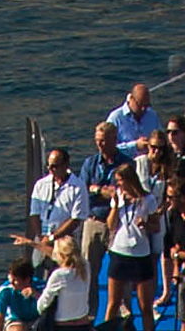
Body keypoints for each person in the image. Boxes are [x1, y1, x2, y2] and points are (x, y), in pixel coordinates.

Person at [79, 121, 133, 319]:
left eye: (103, 141)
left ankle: (124, 313)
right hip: (93, 222)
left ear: (114, 139)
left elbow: (124, 192)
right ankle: (89, 313)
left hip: (118, 224)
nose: (99, 145)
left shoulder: (126, 164)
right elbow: (83, 190)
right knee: (88, 271)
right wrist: (101, 191)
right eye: (97, 141)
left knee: (121, 270)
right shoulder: (90, 164)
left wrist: (98, 190)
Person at [105, 163, 160, 331]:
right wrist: (115, 205)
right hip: (119, 252)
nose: (118, 184)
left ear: (129, 179)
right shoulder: (119, 197)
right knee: (113, 303)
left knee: (145, 307)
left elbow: (156, 227)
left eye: (120, 181)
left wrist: (146, 224)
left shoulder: (148, 199)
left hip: (140, 254)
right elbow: (111, 225)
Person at [10, 234, 91, 331]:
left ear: (60, 255)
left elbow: (42, 305)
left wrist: (34, 294)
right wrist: (31, 243)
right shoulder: (86, 267)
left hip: (63, 327)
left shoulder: (59, 275)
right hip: (84, 324)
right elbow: (55, 254)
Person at [135, 130, 176, 307]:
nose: (156, 152)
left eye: (160, 148)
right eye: (153, 147)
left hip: (159, 216)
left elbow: (170, 195)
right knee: (139, 254)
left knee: (154, 255)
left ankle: (153, 295)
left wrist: (160, 211)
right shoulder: (139, 163)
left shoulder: (167, 168)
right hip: (140, 215)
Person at [29, 149, 89, 248]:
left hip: (66, 241)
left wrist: (53, 237)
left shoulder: (78, 187)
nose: (50, 170)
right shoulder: (40, 184)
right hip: (43, 238)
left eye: (54, 166)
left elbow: (76, 219)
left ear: (66, 165)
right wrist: (41, 237)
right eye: (48, 166)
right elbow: (34, 213)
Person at [106, 83, 162, 159]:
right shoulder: (116, 118)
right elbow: (108, 148)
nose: (143, 109)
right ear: (131, 99)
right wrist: (135, 146)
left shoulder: (152, 115)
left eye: (146, 105)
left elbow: (161, 138)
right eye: (140, 104)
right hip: (124, 163)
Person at [0, 258, 39, 331]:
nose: (11, 282)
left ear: (27, 279)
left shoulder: (42, 287)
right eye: (10, 278)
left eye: (15, 280)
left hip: (38, 320)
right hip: (16, 320)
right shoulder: (5, 290)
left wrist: (36, 295)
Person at [163, 179, 185, 331]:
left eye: (171, 197)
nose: (168, 201)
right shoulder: (172, 215)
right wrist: (176, 264)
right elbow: (172, 245)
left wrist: (179, 255)